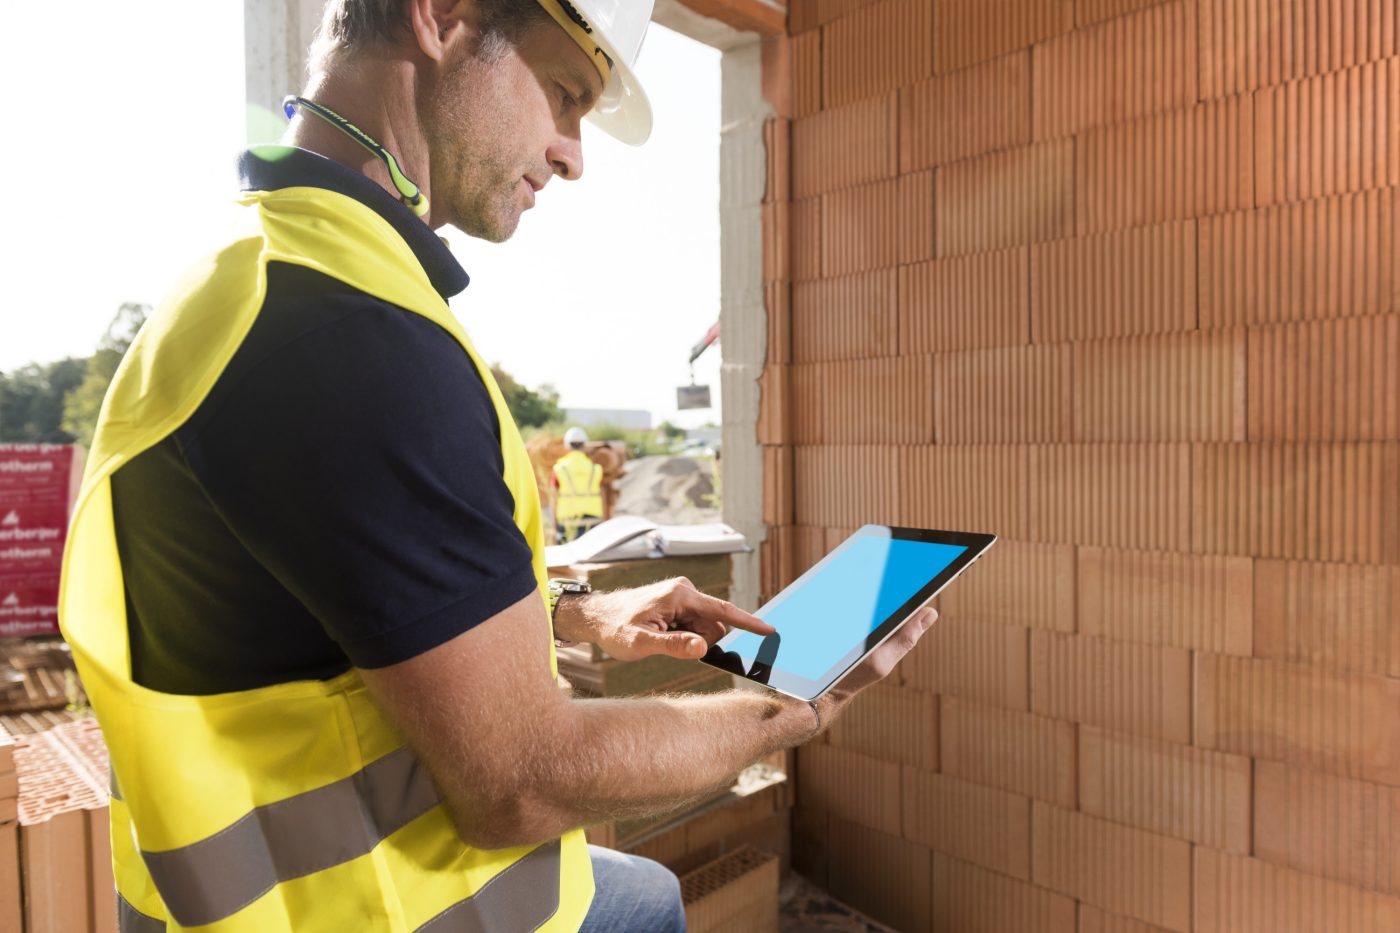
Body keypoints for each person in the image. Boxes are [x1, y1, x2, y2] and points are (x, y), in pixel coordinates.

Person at [57, 1, 938, 930]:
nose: (573, 155)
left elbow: (346, 597)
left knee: (645, 897)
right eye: (565, 94)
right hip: (376, 910)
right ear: (441, 16)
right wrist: (805, 697)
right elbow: (521, 783)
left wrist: (578, 613)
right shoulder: (349, 337)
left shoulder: (260, 278)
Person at [552, 426, 605, 541]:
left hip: (567, 522)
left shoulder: (559, 469)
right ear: (584, 444)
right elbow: (602, 495)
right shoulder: (596, 469)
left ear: (567, 445)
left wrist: (553, 525)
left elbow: (554, 498)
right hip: (593, 522)